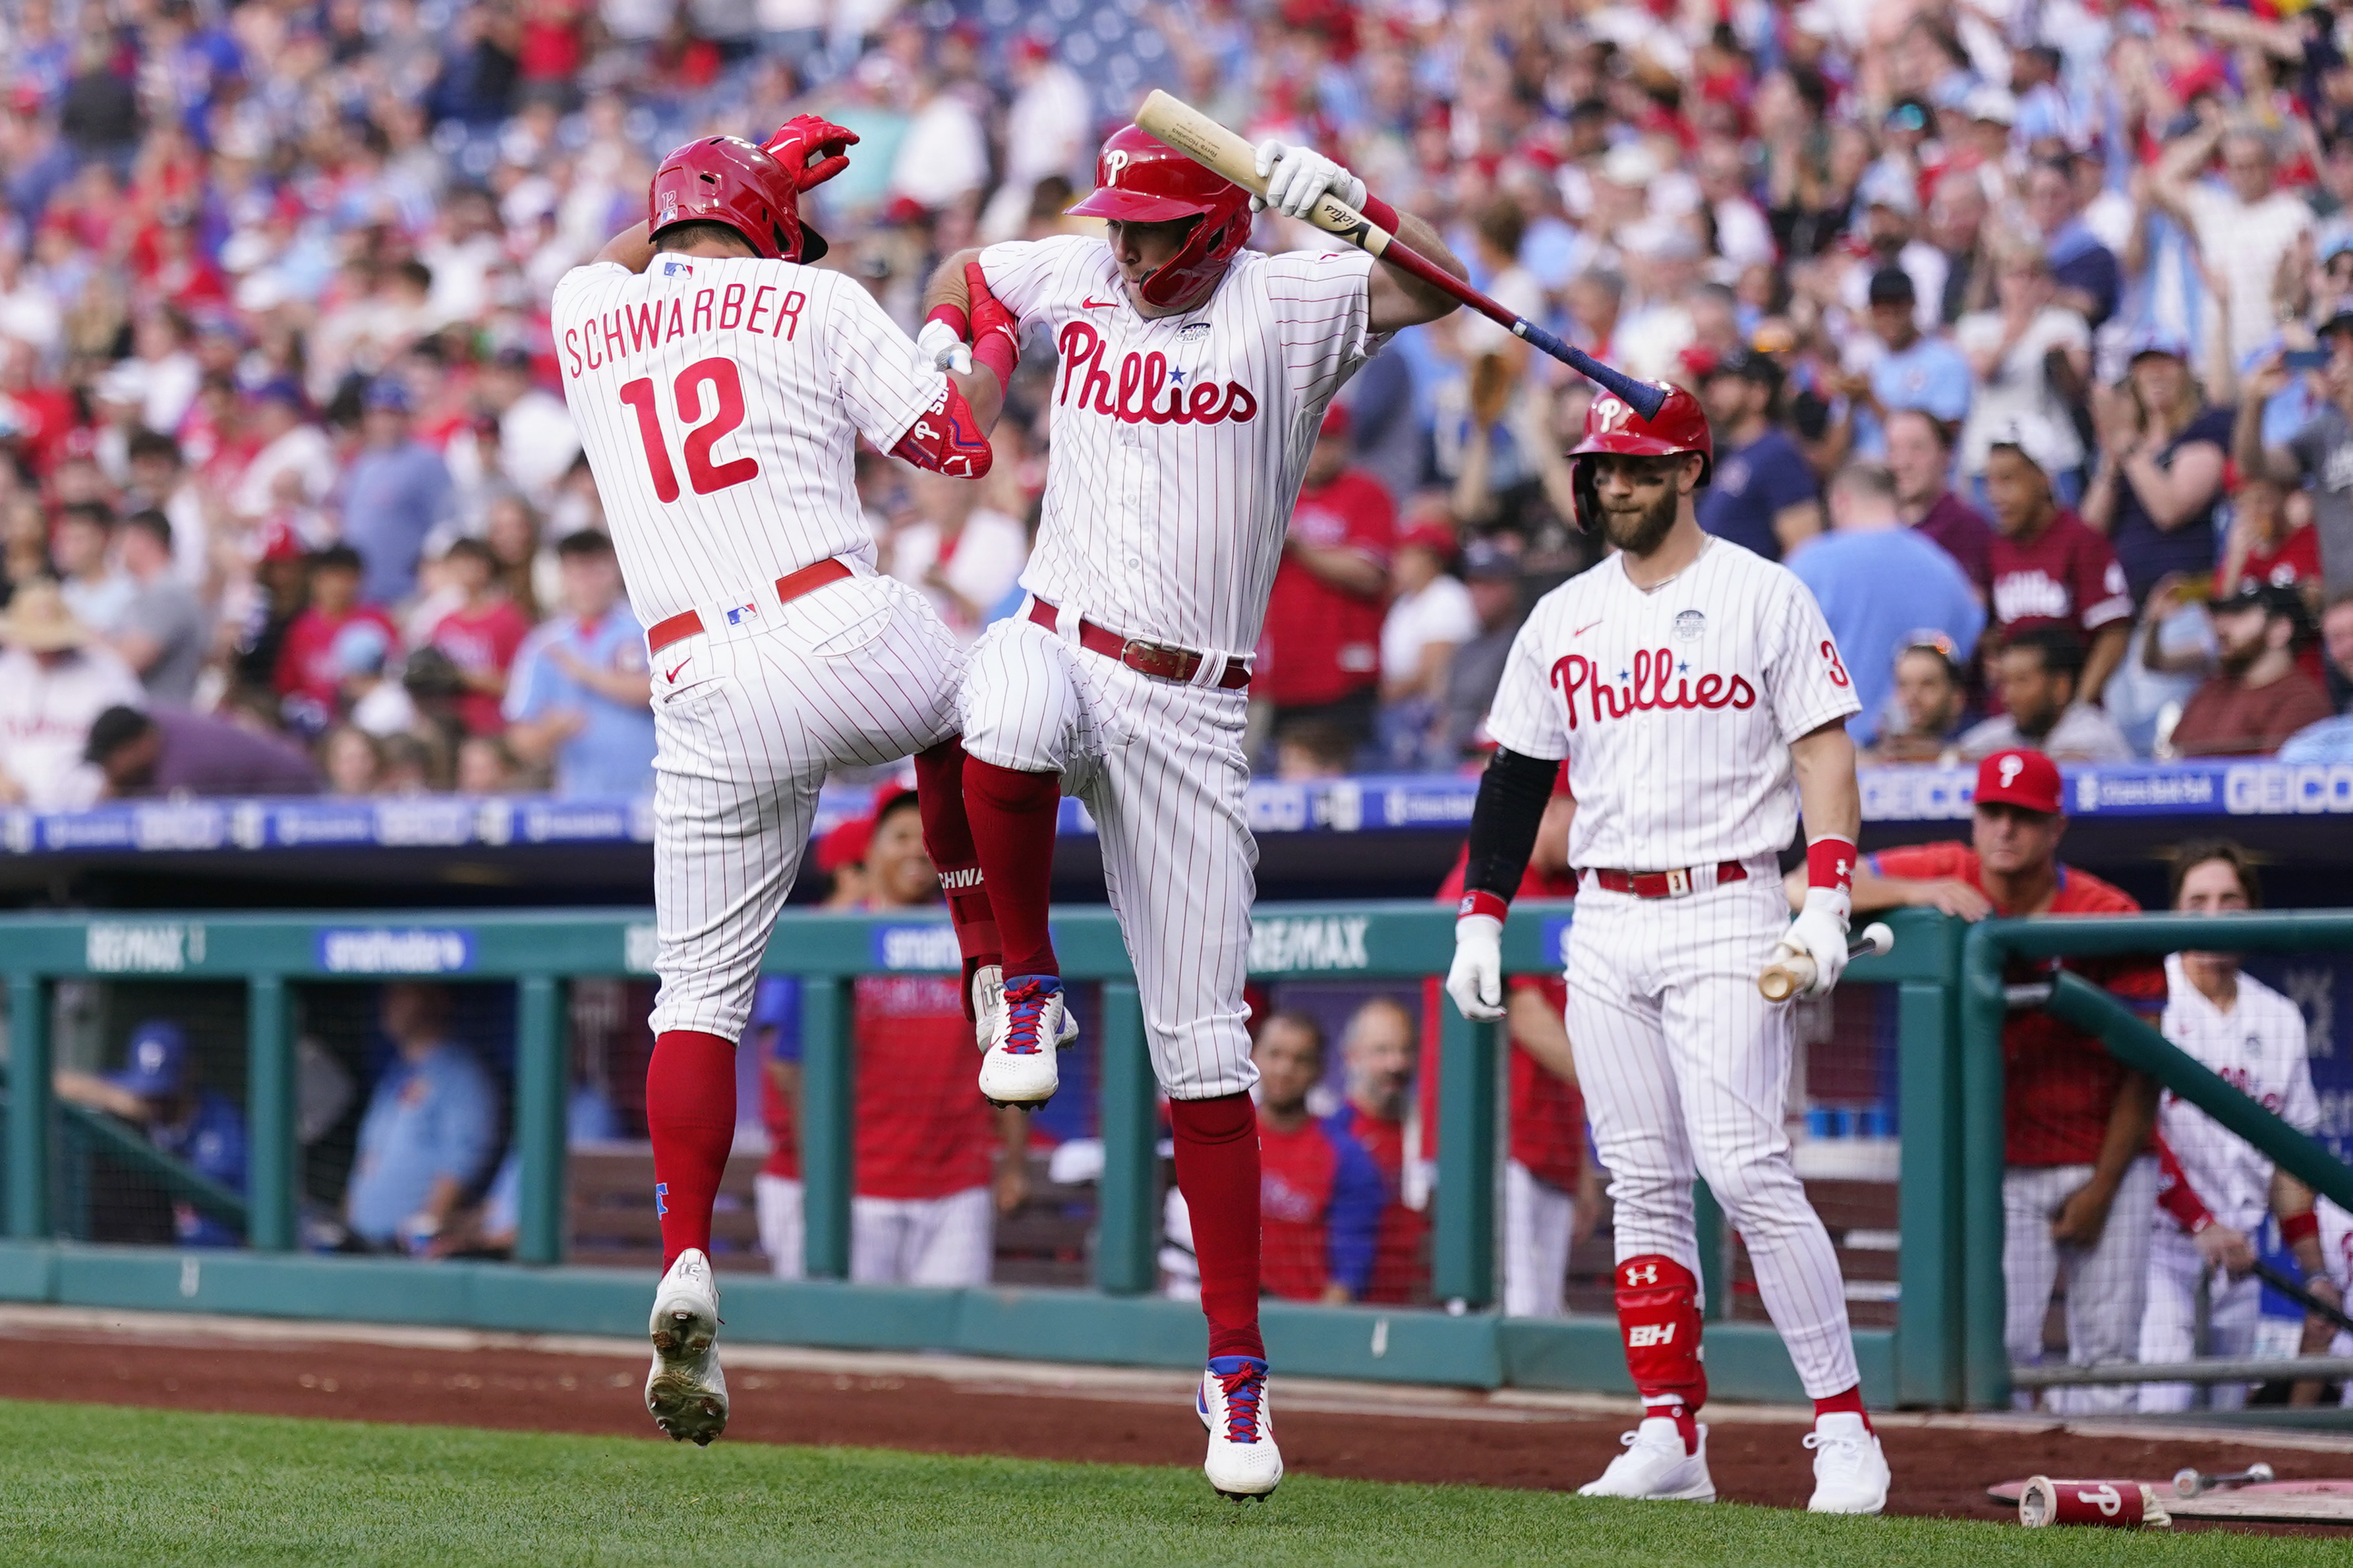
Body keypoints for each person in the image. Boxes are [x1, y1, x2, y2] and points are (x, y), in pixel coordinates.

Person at [918, 124, 1466, 1499]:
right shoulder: (1086, 274)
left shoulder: (1291, 296)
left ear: (1219, 227)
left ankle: (1235, 1372)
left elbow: (1446, 287)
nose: (1127, 245)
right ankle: (1024, 982)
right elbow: (968, 268)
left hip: (1196, 708)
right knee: (1005, 699)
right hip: (1064, 632)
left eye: (1154, 226)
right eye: (1120, 222)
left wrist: (1348, 205)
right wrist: (965, 361)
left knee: (1207, 1049)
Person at [553, 125, 1007, 1449]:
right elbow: (959, 448)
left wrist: (744, 171)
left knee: (695, 1003)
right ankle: (999, 969)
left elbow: (618, 258)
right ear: (773, 227)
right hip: (835, 627)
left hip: (694, 684)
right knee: (991, 692)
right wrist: (979, 346)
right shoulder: (813, 293)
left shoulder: (591, 310)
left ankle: (686, 1249)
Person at [1446, 385, 1888, 1512]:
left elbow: (1824, 753)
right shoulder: (1563, 614)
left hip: (1727, 898)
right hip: (1606, 912)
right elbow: (1517, 776)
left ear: (1690, 469)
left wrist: (1828, 891)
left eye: (1639, 466)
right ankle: (1669, 1428)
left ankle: (1843, 1426)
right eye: (1602, 468)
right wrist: (1483, 911)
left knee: (1743, 1165)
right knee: (1641, 1178)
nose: (1615, 484)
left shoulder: (1762, 591)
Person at [1847, 750, 2163, 1414]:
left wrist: (2102, 1189)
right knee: (2005, 1350)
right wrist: (1914, 894)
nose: (2006, 830)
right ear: (1975, 818)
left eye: (2025, 817)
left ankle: (2101, 1503)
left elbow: (2145, 1072)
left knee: (2108, 1363)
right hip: (2005, 1167)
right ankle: (2011, 1503)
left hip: (2105, 1160)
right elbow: (1805, 884)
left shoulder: (2108, 910)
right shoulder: (1950, 871)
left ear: (2057, 829)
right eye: (1993, 812)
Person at [2137, 842, 2342, 1412]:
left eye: (2230, 899)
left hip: (2241, 1255)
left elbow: (2288, 1163)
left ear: (2251, 910)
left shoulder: (2277, 1017)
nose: (2215, 912)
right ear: (2176, 911)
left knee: (2225, 1418)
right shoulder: (2154, 998)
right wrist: (2198, 1221)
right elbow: (2137, 1133)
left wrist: (2316, 1273)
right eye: (2198, 899)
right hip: (2159, 1245)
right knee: (2164, 1405)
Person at [845, 788, 1030, 1287]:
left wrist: (1014, 1162)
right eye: (899, 836)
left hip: (957, 1185)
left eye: (924, 839)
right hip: (861, 1186)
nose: (914, 850)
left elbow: (1010, 1053)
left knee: (949, 1357)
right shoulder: (840, 933)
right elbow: (789, 1066)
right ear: (870, 852)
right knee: (859, 1352)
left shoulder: (977, 938)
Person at [1427, 772, 1594, 1318]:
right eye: (1583, 809)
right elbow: (1526, 1016)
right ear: (1547, 807)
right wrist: (1624, 1088)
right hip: (1492, 1147)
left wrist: (1582, 1165)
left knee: (1540, 1316)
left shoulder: (1570, 888)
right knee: (1506, 1316)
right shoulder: (1484, 882)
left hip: (1550, 1145)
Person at [1789, 463, 1983, 747]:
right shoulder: (1945, 569)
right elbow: (1963, 656)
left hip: (1832, 755)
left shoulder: (1807, 566)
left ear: (1840, 501)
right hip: (1924, 758)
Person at [1258, 402, 1395, 757]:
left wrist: (1297, 543)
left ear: (1345, 444)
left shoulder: (1366, 494)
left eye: (1329, 440)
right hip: (1284, 679)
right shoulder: (1274, 496)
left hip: (1345, 679)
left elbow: (1369, 574)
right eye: (1313, 439)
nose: (1319, 451)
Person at [52, 1019, 247, 1248]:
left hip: (210, 1260)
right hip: (144, 1249)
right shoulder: (130, 1096)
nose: (154, 1102)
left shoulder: (226, 1126)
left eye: (165, 1094)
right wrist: (117, 1099)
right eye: (148, 1093)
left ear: (191, 1072)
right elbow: (54, 1082)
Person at [344, 982, 500, 1254]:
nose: (389, 1003)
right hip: (361, 1245)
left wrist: (421, 1242)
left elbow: (461, 1163)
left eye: (403, 993)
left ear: (437, 1000)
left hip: (405, 1252)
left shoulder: (460, 1075)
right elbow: (367, 1160)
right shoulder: (395, 1075)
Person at [2081, 333, 2233, 612]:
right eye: (2145, 365)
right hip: (2126, 605)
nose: (2155, 374)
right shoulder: (2126, 449)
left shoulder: (2204, 432)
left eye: (2166, 363)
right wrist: (2112, 461)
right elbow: (2090, 532)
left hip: (2184, 600)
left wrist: (2126, 442)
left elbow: (2170, 510)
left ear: (2185, 372)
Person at [1983, 428, 2132, 705]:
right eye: (1990, 482)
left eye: (2007, 480)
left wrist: (2079, 705)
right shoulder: (1996, 548)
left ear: (2043, 479)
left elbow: (2114, 633)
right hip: (2012, 713)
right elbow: (1998, 631)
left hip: (2069, 712)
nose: (1995, 495)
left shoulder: (2082, 542)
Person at [2153, 124, 2313, 381]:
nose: (2244, 174)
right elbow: (2162, 180)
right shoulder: (2214, 208)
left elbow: (2301, 298)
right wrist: (2215, 134)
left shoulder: (2293, 214)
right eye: (2236, 166)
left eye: (2253, 165)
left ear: (2271, 166)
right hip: (2218, 366)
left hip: (2274, 363)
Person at [503, 530, 656, 799]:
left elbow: (661, 691)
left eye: (596, 570)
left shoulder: (645, 628)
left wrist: (585, 673)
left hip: (653, 795)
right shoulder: (543, 644)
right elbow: (520, 739)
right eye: (577, 573)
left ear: (616, 570)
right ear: (563, 578)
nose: (588, 584)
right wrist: (552, 731)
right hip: (578, 800)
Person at [1252, 1010, 1385, 1304]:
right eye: (1275, 1054)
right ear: (1253, 1056)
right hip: (1217, 1315)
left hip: (1302, 1318)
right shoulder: (1222, 1138)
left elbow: (1350, 1274)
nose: (1285, 1069)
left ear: (1320, 1069)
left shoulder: (1346, 1156)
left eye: (1301, 1060)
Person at [1955, 242, 2091, 506]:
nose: (2024, 284)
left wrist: (2059, 360)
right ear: (1999, 281)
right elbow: (1984, 371)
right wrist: (2017, 329)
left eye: (2032, 274)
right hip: (1988, 457)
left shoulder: (2065, 322)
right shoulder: (1976, 326)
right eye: (2014, 275)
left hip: (2054, 456)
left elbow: (2077, 390)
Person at [2235, 312, 2353, 596]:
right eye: (2332, 349)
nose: (2337, 361)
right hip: (2342, 604)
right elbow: (2253, 465)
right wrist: (2255, 401)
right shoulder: (2324, 431)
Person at [0, 582, 145, 809]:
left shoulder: (106, 671)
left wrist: (113, 785)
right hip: (15, 818)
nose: (44, 648)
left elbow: (138, 739)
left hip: (93, 815)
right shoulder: (7, 672)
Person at [1326, 997, 1428, 1304]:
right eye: (1382, 1051)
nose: (1396, 1064)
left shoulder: (1431, 1133)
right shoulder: (1333, 1135)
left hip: (1423, 1306)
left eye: (1406, 1050)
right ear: (1351, 1057)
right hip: (1355, 1308)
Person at [2169, 582, 2333, 756]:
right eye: (2221, 616)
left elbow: (2273, 776)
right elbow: (2171, 761)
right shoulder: (2212, 689)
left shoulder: (2301, 701)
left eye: (2239, 614)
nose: (2221, 627)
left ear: (2280, 629)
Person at [337, 376, 455, 607]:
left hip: (406, 594)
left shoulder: (426, 461)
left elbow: (447, 524)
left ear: (406, 416)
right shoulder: (362, 463)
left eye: (392, 413)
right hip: (361, 595)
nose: (384, 422)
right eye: (377, 414)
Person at [1695, 349, 1820, 562]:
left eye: (1728, 381)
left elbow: (1804, 547)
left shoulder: (1778, 454)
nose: (1714, 390)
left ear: (1758, 394)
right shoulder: (1733, 453)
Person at [1377, 516, 1477, 770]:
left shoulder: (1447, 596)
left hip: (1435, 715)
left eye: (1408, 555)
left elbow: (1432, 672)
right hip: (1401, 713)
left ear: (1431, 559)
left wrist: (1377, 695)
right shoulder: (1405, 603)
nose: (1398, 563)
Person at [884, 469, 1028, 645]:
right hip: (928, 656)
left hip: (988, 649)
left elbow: (1006, 613)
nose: (945, 495)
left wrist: (949, 588)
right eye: (935, 487)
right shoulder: (909, 543)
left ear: (969, 488)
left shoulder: (1004, 533)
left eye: (952, 486)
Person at [1840, 267, 1971, 460]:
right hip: (1871, 478)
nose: (1890, 321)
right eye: (1881, 313)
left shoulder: (1946, 360)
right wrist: (1851, 401)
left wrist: (1870, 399)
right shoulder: (1870, 364)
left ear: (1912, 306)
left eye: (1897, 311)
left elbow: (1946, 434)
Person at [1958, 627, 2134, 763]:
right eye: (2005, 682)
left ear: (2060, 687)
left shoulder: (2092, 731)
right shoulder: (2012, 728)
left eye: (2022, 681)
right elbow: (1955, 758)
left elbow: (2067, 765)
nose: (2008, 696)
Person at [273, 545, 402, 730]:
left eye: (346, 577)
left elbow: (395, 675)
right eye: (331, 577)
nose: (338, 585)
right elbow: (289, 687)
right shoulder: (302, 628)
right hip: (318, 728)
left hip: (373, 722)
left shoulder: (377, 621)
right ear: (316, 580)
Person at [422, 537, 534, 737]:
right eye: (459, 563)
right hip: (451, 727)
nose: (466, 570)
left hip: (495, 727)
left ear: (487, 566)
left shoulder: (509, 618)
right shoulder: (443, 622)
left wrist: (462, 678)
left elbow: (524, 682)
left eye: (472, 562)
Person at [84, 704, 321, 798]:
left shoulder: (183, 771)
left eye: (110, 761)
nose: (107, 770)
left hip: (292, 796)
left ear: (141, 746)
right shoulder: (150, 720)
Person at [1886, 408, 1995, 601]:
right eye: (1893, 449)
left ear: (1946, 456)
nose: (1902, 462)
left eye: (1917, 448)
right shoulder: (1876, 530)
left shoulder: (1969, 529)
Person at [1434, 540, 1526, 761]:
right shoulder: (1466, 649)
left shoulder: (1525, 643)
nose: (1478, 594)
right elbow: (1444, 709)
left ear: (1511, 588)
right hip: (1451, 750)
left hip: (1488, 754)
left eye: (1488, 585)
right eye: (1473, 584)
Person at [107, 509, 207, 705]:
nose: (118, 550)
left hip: (163, 718)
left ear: (143, 541)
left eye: (122, 541)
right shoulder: (151, 592)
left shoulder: (167, 594)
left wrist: (81, 638)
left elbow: (125, 663)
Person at [1867, 638, 1972, 763]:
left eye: (1927, 684)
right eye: (1903, 685)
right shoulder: (1876, 749)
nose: (1913, 697)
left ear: (1957, 698)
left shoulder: (1981, 740)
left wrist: (1938, 756)